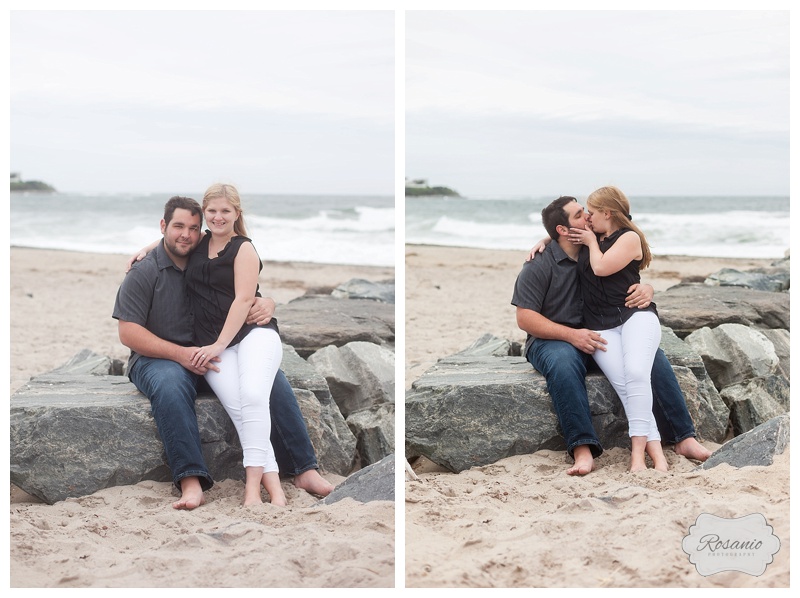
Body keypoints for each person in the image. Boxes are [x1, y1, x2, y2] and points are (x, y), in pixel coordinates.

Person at [113, 195, 334, 509]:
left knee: (272, 380)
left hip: (212, 351)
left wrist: (267, 302)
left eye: (192, 227)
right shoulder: (144, 272)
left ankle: (304, 469)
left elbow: (240, 286)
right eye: (177, 227)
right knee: (171, 385)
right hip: (160, 358)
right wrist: (179, 354)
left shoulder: (200, 252)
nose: (185, 234)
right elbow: (128, 333)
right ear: (163, 226)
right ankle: (191, 481)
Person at [512, 195, 711, 475]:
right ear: (563, 230)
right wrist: (571, 335)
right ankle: (582, 449)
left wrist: (648, 288)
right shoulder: (539, 264)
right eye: (581, 214)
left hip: (601, 332)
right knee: (564, 364)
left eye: (587, 212)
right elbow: (525, 318)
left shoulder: (592, 248)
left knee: (653, 357)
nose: (588, 217)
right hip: (554, 339)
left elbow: (625, 270)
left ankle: (684, 438)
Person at [184, 183, 286, 505]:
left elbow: (244, 299)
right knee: (242, 411)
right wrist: (145, 250)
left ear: (236, 213)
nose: (218, 217)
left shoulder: (243, 248)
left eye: (225, 211)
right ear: (204, 213)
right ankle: (277, 489)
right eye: (211, 211)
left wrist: (217, 344)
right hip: (217, 345)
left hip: (254, 335)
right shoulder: (198, 244)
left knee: (254, 396)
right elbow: (170, 242)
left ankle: (252, 488)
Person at [567, 186, 665, 472]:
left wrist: (590, 242)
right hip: (601, 326)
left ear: (607, 213)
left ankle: (637, 457)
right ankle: (658, 455)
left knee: (636, 373)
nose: (587, 216)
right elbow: (562, 231)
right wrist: (543, 239)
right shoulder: (594, 235)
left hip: (635, 316)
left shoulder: (629, 237)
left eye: (592, 211)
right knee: (625, 385)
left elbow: (601, 268)